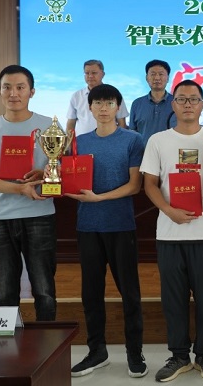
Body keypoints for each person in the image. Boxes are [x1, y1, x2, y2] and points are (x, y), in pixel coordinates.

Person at [140, 80, 203, 382]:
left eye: (194, 99)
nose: (188, 104)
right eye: (182, 99)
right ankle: (179, 355)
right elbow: (149, 185)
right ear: (173, 104)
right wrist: (168, 210)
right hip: (169, 234)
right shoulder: (158, 141)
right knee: (173, 300)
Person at [66, 84, 147, 378]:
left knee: (130, 293)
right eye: (98, 102)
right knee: (91, 293)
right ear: (89, 107)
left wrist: (99, 198)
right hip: (88, 226)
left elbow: (134, 185)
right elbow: (68, 178)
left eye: (109, 103)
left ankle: (134, 352)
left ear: (118, 107)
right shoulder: (78, 141)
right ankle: (96, 351)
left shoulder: (133, 140)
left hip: (120, 225)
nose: (103, 108)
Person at [0, 65, 57, 321]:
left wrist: (46, 173)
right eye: (7, 87)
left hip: (40, 215)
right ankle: (7, 346)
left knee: (44, 291)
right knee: (5, 293)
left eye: (20, 87)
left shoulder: (49, 126)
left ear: (32, 91)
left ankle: (48, 343)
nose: (13, 93)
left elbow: (62, 168)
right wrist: (20, 188)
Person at [67, 59, 128, 135]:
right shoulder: (76, 96)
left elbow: (121, 122)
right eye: (87, 73)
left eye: (94, 73)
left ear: (103, 74)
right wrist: (69, 140)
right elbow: (71, 122)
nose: (90, 76)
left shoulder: (113, 94)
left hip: (108, 139)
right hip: (81, 140)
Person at [129, 59, 177, 144]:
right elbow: (132, 133)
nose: (157, 78)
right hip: (143, 151)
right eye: (153, 74)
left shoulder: (177, 102)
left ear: (168, 78)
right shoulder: (137, 104)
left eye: (161, 74)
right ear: (147, 78)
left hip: (171, 150)